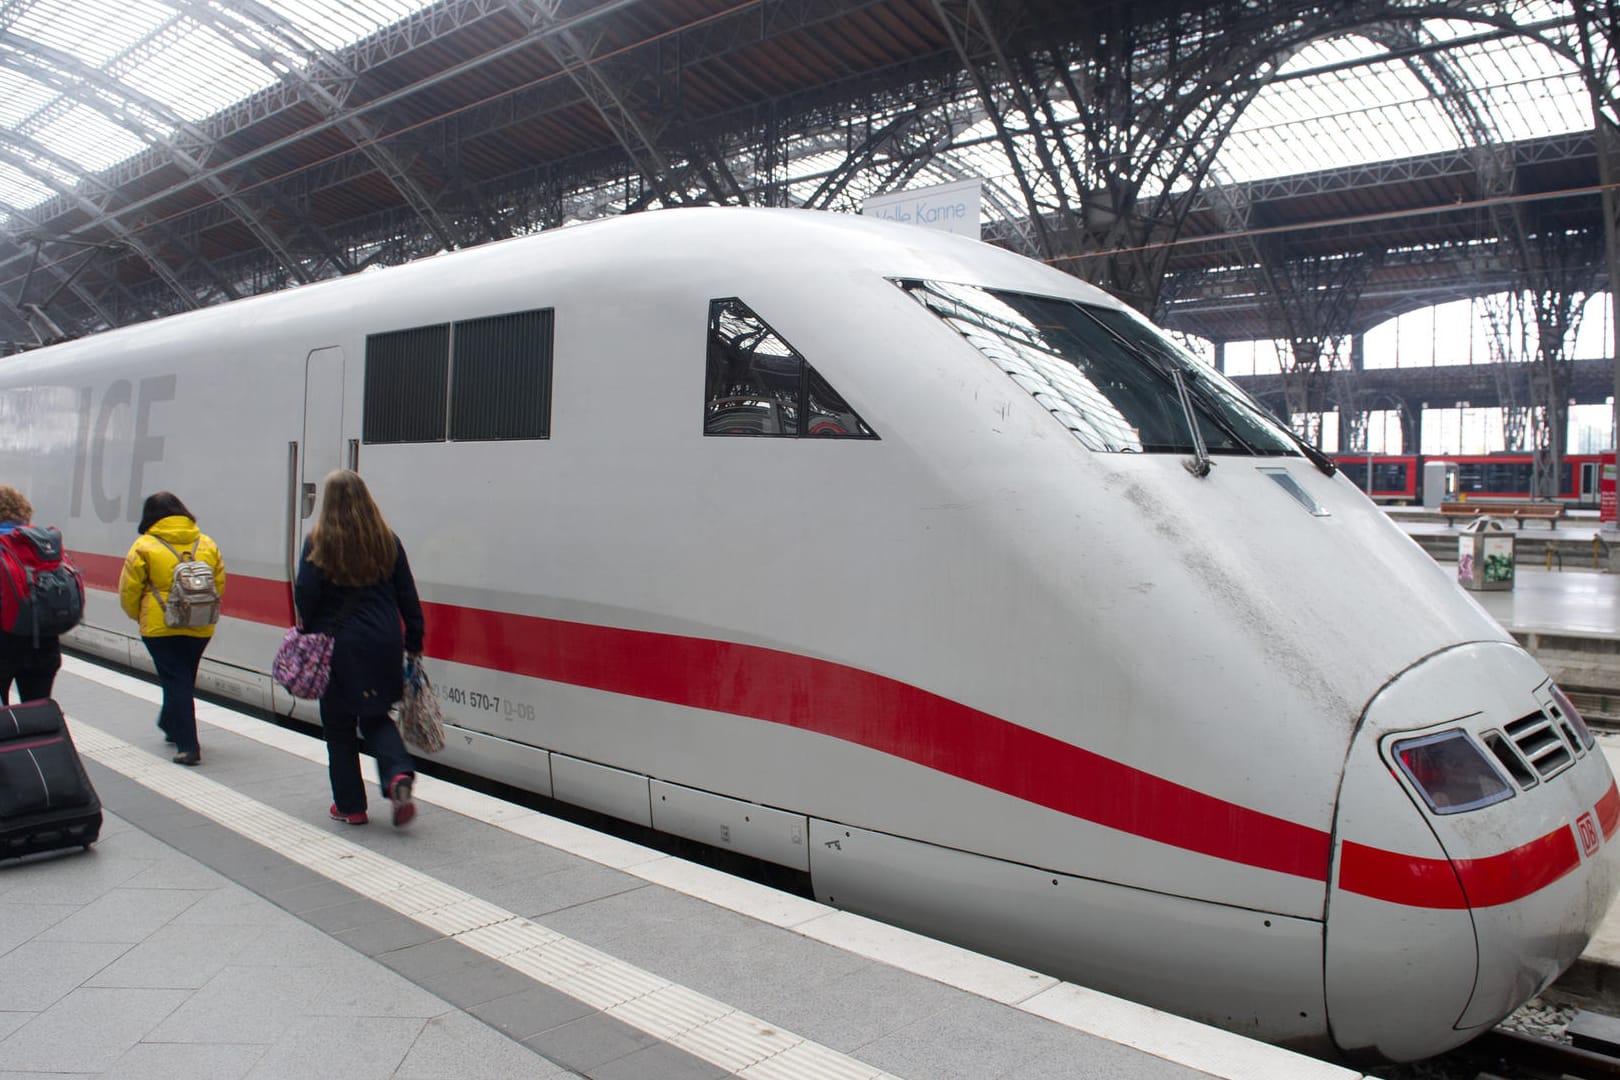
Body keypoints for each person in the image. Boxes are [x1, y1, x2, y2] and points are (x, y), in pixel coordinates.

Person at [295, 469, 425, 827]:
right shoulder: (388, 541)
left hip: (338, 647)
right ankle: (398, 774)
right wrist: (414, 640)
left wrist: (308, 632)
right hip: (384, 641)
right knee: (376, 714)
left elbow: (305, 594)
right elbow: (407, 596)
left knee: (338, 726)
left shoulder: (318, 542)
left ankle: (351, 807)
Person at [118, 493, 227, 766]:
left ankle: (188, 745)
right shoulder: (207, 543)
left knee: (175, 679)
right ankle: (169, 723)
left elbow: (129, 591)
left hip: (160, 627)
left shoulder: (144, 545)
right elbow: (219, 585)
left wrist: (139, 616)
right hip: (200, 625)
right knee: (182, 677)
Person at [0, 486, 62, 706]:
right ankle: (37, 740)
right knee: (37, 710)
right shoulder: (43, 544)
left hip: (4, 642)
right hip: (44, 644)